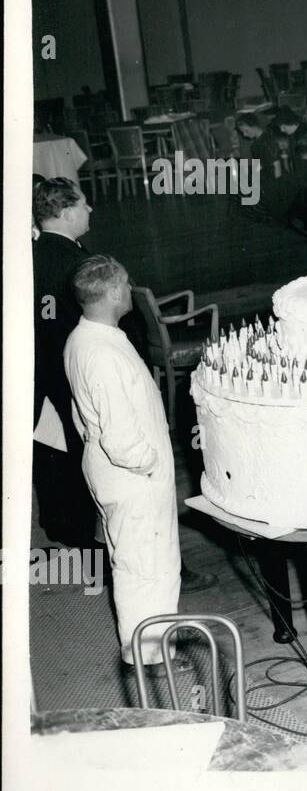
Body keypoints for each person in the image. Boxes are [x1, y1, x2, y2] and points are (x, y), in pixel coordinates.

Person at [63, 256, 183, 666]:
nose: (131, 288)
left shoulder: (87, 338)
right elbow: (120, 439)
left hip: (113, 472)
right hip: (132, 476)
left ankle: (151, 651)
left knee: (136, 563)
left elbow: (82, 414)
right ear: (113, 292)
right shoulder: (102, 352)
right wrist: (148, 464)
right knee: (146, 569)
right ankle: (150, 661)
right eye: (127, 283)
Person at [32, 178, 98, 548]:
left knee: (53, 452)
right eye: (84, 204)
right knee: (78, 453)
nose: (89, 210)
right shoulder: (77, 262)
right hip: (71, 373)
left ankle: (59, 524)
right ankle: (86, 538)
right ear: (66, 211)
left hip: (44, 371)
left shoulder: (35, 253)